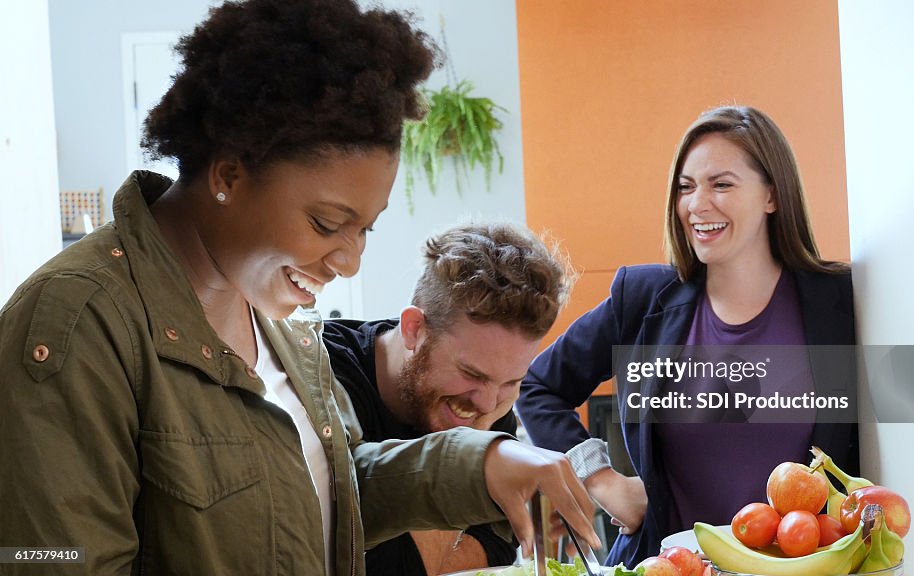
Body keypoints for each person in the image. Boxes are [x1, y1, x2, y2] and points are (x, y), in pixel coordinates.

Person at [0, 1, 598, 574]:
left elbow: (328, 495)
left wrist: (486, 462)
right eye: (326, 224)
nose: (349, 261)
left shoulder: (275, 325)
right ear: (229, 173)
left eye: (365, 228)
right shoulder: (77, 321)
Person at [515, 105, 859, 568]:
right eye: (686, 186)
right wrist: (600, 479)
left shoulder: (839, 304)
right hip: (664, 565)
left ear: (772, 195)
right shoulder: (641, 299)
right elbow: (538, 386)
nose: (697, 204)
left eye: (721, 184)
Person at [322, 222, 573, 576]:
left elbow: (498, 551)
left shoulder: (484, 399)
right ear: (414, 329)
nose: (488, 405)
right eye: (473, 374)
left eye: (512, 382)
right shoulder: (323, 376)